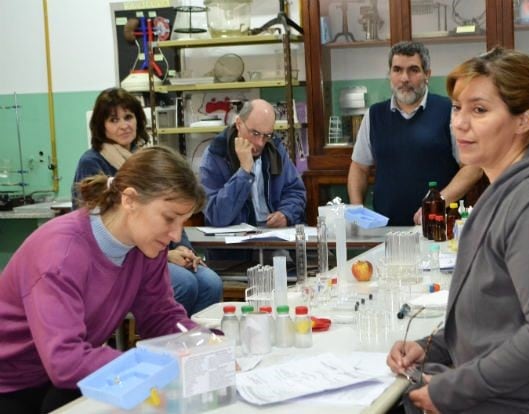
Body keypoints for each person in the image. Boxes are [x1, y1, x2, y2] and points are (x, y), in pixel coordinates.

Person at [386, 48, 529, 413]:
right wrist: (434, 346)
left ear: (524, 120)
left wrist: (454, 388)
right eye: (456, 108)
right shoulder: (505, 190)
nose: (460, 123)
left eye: (479, 110)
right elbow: (498, 313)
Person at [0, 146, 207, 413]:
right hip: (11, 382)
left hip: (59, 377)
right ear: (130, 200)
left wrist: (205, 342)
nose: (176, 236)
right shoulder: (61, 255)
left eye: (182, 222)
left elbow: (161, 316)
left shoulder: (147, 246)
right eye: (169, 218)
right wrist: (149, 365)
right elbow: (65, 360)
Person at [72, 88, 222, 316]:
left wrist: (183, 248)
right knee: (184, 283)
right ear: (101, 126)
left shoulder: (147, 157)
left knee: (211, 282)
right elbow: (100, 227)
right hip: (122, 260)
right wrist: (167, 255)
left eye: (128, 117)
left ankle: (195, 342)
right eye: (114, 120)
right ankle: (167, 342)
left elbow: (171, 208)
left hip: (162, 250)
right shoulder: (92, 161)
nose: (124, 125)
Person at [347, 40, 483, 226]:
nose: (404, 78)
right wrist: (357, 210)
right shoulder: (374, 115)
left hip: (440, 229)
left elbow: (473, 168)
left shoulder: (450, 111)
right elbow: (359, 168)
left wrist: (438, 203)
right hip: (386, 232)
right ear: (390, 74)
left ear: (427, 74)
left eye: (413, 70)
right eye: (397, 70)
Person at [199, 99, 306, 227]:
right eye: (255, 133)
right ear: (239, 124)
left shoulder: (274, 149)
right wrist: (244, 171)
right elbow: (217, 216)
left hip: (274, 235)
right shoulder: (216, 155)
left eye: (267, 135)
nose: (260, 143)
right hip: (234, 241)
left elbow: (295, 191)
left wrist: (286, 214)